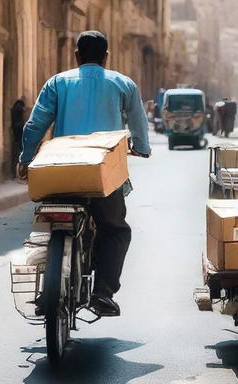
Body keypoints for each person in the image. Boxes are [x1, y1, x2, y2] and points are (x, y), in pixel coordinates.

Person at [17, 30, 151, 316]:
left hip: (60, 169)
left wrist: (26, 159)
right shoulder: (122, 83)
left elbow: (35, 125)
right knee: (114, 230)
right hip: (102, 173)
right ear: (106, 57)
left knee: (48, 227)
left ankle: (45, 292)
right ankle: (103, 292)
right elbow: (138, 122)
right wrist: (142, 146)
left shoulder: (58, 83)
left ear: (76, 55)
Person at [10, 96, 27, 178]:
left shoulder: (14, 109)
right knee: (21, 150)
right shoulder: (19, 108)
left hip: (16, 132)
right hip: (19, 131)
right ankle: (20, 172)